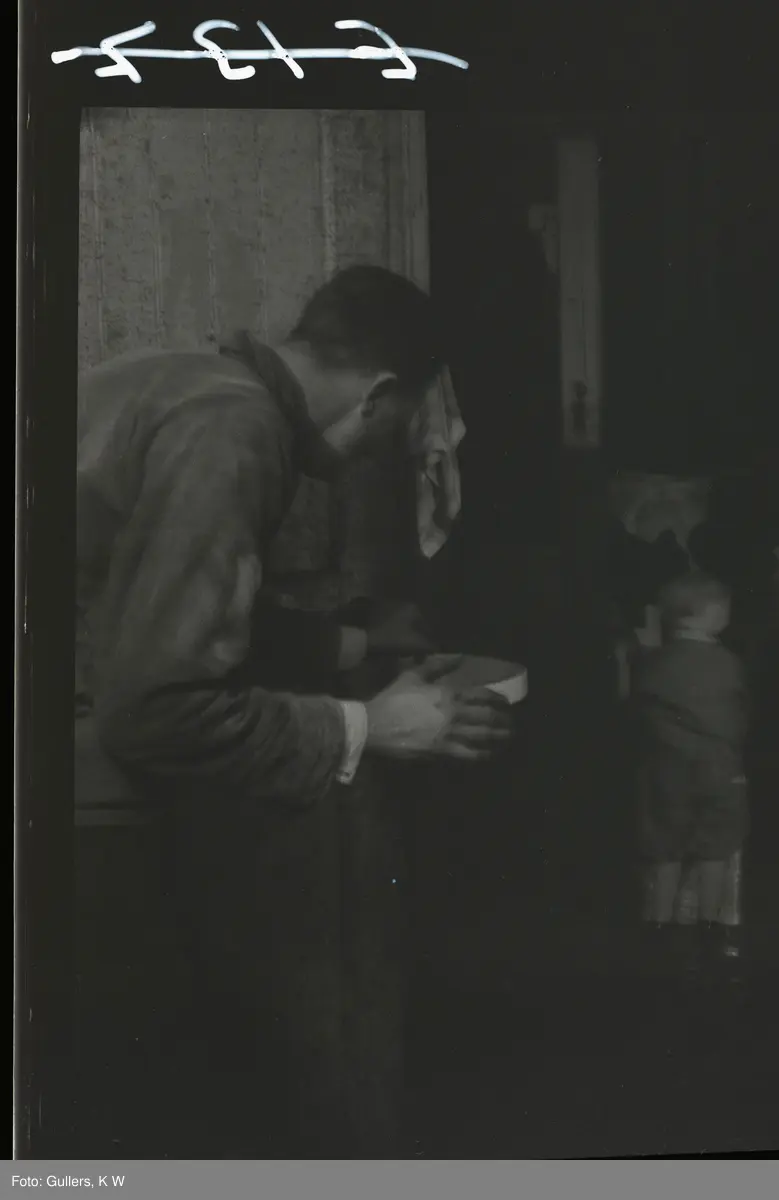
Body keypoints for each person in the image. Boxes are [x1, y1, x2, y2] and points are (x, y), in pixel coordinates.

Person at [73, 264, 512, 1157]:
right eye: (389, 438)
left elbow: (152, 605)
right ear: (379, 394)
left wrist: (353, 644)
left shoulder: (184, 380)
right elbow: (155, 711)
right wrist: (369, 728)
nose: (372, 458)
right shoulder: (235, 433)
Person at [632, 571, 750, 969]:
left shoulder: (654, 662)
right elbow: (736, 721)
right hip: (718, 771)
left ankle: (658, 928)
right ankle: (711, 928)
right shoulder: (727, 664)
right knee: (715, 851)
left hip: (666, 772)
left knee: (665, 852)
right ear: (710, 614)